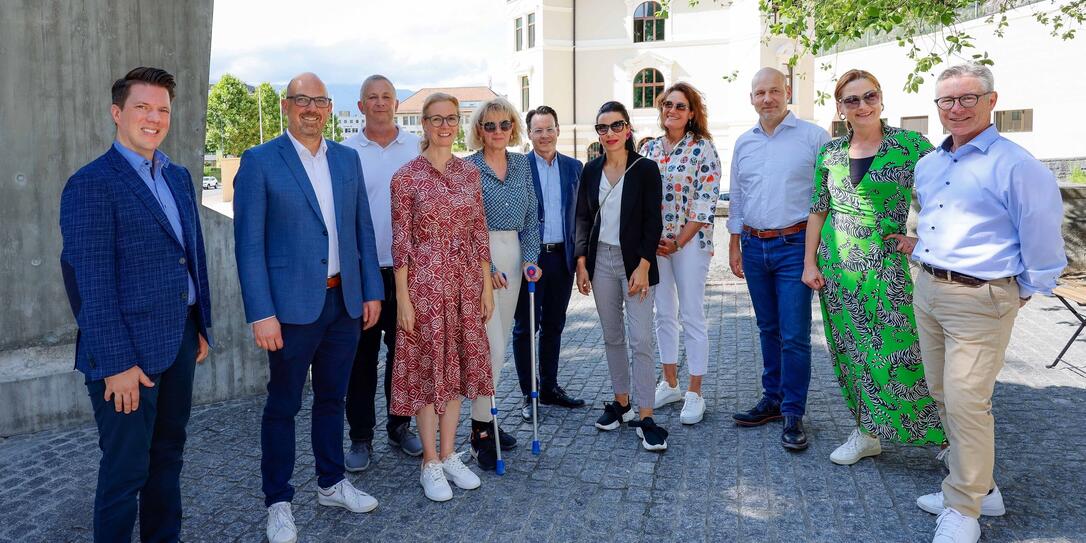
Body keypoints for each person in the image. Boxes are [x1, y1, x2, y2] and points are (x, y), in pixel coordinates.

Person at [885, 64, 1066, 543]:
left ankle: (963, 508)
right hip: (928, 289)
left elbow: (1045, 240)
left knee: (967, 402)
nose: (956, 108)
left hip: (981, 296)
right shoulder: (931, 163)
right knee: (943, 394)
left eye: (968, 98)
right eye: (947, 101)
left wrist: (1017, 290)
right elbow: (930, 220)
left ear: (992, 100)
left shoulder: (1016, 165)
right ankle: (982, 489)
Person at [59, 66, 212, 543]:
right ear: (117, 113)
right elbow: (90, 284)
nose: (154, 117)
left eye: (162, 109)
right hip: (127, 358)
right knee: (126, 474)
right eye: (142, 107)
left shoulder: (178, 176)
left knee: (169, 457)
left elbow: (192, 258)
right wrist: (117, 364)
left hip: (180, 340)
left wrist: (200, 325)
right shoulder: (91, 184)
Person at [233, 72, 383, 543]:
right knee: (282, 405)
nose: (311, 108)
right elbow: (249, 246)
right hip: (290, 310)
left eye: (319, 100)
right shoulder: (259, 162)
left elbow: (363, 230)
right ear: (286, 105)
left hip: (344, 302)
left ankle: (332, 482)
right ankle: (278, 502)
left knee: (332, 399)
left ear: (329, 106)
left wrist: (371, 291)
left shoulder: (346, 159)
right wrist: (261, 312)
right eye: (302, 100)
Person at [802, 69, 945, 467]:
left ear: (881, 99)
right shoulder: (830, 152)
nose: (862, 106)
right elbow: (817, 209)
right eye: (852, 100)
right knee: (851, 352)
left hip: (884, 268)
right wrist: (809, 262)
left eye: (869, 97)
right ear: (840, 107)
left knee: (904, 352)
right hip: (836, 269)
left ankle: (946, 438)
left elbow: (945, 200)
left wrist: (922, 242)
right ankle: (867, 431)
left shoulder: (911, 145)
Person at [388, 92, 494, 501]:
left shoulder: (470, 174)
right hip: (424, 286)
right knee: (429, 372)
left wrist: (485, 284)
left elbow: (479, 232)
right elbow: (401, 244)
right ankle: (429, 461)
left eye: (452, 118)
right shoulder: (406, 178)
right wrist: (403, 298)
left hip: (465, 283)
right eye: (437, 119)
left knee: (456, 371)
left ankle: (450, 454)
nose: (445, 126)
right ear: (424, 124)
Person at [728, 67, 829, 451]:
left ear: (787, 93)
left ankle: (793, 411)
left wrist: (814, 255)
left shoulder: (814, 137)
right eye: (760, 93)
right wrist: (734, 244)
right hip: (754, 246)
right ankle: (771, 399)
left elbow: (825, 199)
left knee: (794, 336)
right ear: (751, 98)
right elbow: (737, 196)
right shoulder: (744, 142)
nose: (767, 98)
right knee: (767, 330)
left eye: (774, 91)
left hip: (794, 247)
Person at [341, 75, 423, 471]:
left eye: (386, 97)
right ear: (360, 107)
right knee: (361, 357)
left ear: (396, 103)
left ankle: (399, 425)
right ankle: (360, 436)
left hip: (409, 272)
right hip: (363, 271)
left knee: (403, 355)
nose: (379, 103)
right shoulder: (344, 153)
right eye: (371, 98)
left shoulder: (416, 147)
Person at [575, 101, 666, 451]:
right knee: (613, 337)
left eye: (616, 126)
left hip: (635, 264)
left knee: (641, 339)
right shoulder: (590, 169)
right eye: (602, 128)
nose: (609, 134)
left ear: (628, 129)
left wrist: (643, 265)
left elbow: (651, 221)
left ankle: (646, 416)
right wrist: (581, 262)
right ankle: (623, 403)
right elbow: (583, 217)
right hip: (600, 263)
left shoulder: (645, 169)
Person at [639, 82, 721, 425]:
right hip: (656, 245)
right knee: (663, 314)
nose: (671, 110)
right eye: (666, 104)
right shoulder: (649, 150)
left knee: (691, 314)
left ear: (691, 113)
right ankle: (670, 382)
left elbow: (705, 204)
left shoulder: (704, 149)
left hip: (689, 245)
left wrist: (678, 241)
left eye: (679, 106)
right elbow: (640, 197)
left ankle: (694, 391)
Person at [465, 97, 541, 468]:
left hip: (515, 258)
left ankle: (488, 419)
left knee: (501, 347)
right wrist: (487, 264)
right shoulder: (468, 168)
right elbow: (468, 224)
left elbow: (532, 216)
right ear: (479, 130)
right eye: (489, 125)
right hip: (481, 261)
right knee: (490, 349)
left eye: (504, 124)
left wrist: (531, 258)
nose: (498, 131)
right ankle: (480, 429)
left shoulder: (523, 164)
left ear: (514, 127)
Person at [512, 105, 586, 422]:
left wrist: (582, 261)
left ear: (558, 130)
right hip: (530, 259)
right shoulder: (518, 167)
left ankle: (550, 389)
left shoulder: (574, 167)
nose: (544, 135)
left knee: (555, 324)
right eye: (538, 130)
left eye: (549, 128)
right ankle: (530, 394)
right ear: (529, 134)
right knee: (526, 327)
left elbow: (583, 217)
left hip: (562, 259)